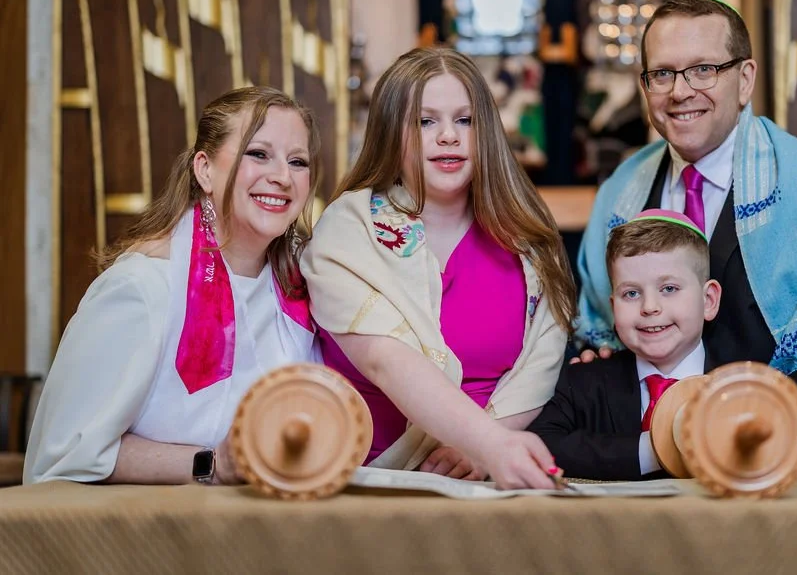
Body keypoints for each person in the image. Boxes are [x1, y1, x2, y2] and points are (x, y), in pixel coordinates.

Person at [575, 0, 797, 478]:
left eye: (704, 69)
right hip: (654, 482)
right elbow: (597, 335)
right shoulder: (618, 196)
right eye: (662, 74)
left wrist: (748, 431)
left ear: (746, 79)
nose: (680, 91)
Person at [300, 47, 576, 490]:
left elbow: (538, 372)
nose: (448, 136)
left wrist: (484, 447)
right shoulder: (350, 228)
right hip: (366, 485)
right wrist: (486, 441)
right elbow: (385, 360)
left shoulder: (529, 239)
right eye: (425, 121)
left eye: (464, 121)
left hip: (489, 477)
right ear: (393, 132)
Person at [25, 87, 323, 486]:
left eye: (298, 161)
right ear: (204, 170)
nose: (283, 177)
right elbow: (66, 453)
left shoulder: (305, 288)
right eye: (258, 153)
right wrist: (214, 464)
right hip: (153, 538)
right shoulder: (142, 288)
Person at [529, 210, 719, 480]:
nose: (650, 307)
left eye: (669, 289)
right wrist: (653, 450)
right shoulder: (583, 382)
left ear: (709, 300)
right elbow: (540, 443)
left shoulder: (743, 387)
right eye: (631, 293)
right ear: (613, 306)